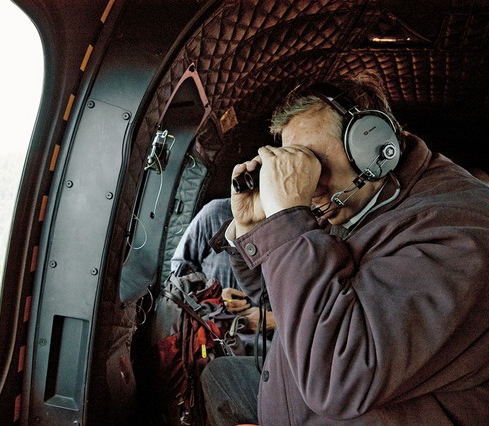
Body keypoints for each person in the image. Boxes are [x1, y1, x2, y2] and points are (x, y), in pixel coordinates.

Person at [201, 72, 489, 425]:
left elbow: (340, 373)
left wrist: (291, 221)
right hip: (300, 395)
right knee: (219, 375)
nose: (308, 186)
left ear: (373, 146)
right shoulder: (359, 202)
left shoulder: (459, 234)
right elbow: (285, 302)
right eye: (298, 165)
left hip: (338, 395)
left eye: (315, 163)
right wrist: (255, 228)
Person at [171, 198, 276, 337]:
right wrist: (211, 298)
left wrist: (276, 320)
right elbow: (179, 269)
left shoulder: (295, 226)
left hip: (271, 345)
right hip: (213, 340)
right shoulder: (215, 213)